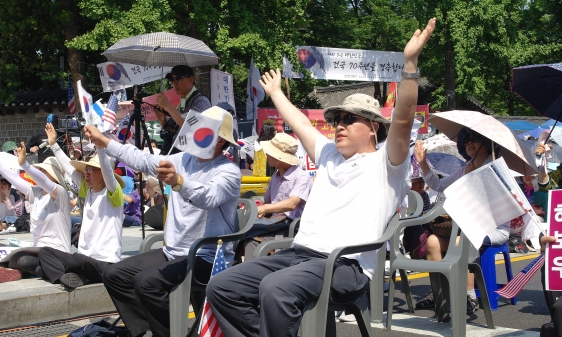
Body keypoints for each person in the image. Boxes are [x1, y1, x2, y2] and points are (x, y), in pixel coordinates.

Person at [205, 18, 436, 337]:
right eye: (337, 118)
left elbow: (405, 116)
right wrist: (274, 92)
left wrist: (409, 64)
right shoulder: (328, 154)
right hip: (299, 255)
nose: (339, 124)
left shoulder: (387, 163)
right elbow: (298, 122)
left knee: (275, 289)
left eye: (348, 119)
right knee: (221, 287)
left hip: (346, 266)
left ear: (373, 128)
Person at [84, 105, 241, 337]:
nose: (195, 132)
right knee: (114, 275)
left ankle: (167, 333)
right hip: (174, 251)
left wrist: (178, 181)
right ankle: (148, 330)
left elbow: (207, 196)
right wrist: (105, 142)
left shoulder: (228, 171)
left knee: (147, 283)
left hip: (205, 256)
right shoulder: (182, 158)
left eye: (203, 129)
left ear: (219, 140)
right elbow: (144, 160)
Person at [414, 129, 512, 314]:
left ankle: (469, 296)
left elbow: (504, 203)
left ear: (487, 142)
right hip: (465, 227)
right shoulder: (466, 168)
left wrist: (478, 178)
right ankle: (439, 293)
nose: (469, 143)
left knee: (461, 241)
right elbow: (438, 185)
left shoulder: (498, 168)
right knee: (433, 242)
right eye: (466, 140)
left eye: (474, 139)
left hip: (492, 228)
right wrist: (422, 163)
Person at [37, 123, 125, 289]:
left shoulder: (113, 193)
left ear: (103, 175)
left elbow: (107, 172)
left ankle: (57, 271)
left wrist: (100, 147)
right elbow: (69, 168)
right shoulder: (88, 190)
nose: (87, 172)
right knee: (45, 252)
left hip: (105, 264)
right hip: (84, 258)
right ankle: (63, 277)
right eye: (87, 169)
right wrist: (54, 144)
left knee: (78, 259)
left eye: (93, 169)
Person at [0, 139, 72, 282]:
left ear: (54, 176)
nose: (39, 173)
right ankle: (15, 269)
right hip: (37, 249)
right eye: (39, 170)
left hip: (55, 254)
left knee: (22, 260)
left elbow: (44, 181)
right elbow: (13, 178)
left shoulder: (60, 193)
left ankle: (13, 269)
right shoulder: (35, 192)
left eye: (43, 171)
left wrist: (25, 164)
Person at [240, 132, 312, 261]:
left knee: (250, 240)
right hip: (273, 223)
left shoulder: (301, 176)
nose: (267, 155)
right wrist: (261, 211)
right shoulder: (275, 177)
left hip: (289, 227)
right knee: (239, 232)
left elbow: (292, 203)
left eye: (270, 153)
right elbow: (267, 202)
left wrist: (265, 209)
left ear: (280, 157)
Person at [155, 65, 212, 154]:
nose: (174, 83)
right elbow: (173, 129)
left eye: (178, 79)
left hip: (190, 157)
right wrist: (162, 120)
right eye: (172, 80)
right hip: (177, 154)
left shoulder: (201, 101)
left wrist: (168, 106)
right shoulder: (182, 103)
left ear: (191, 80)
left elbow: (190, 125)